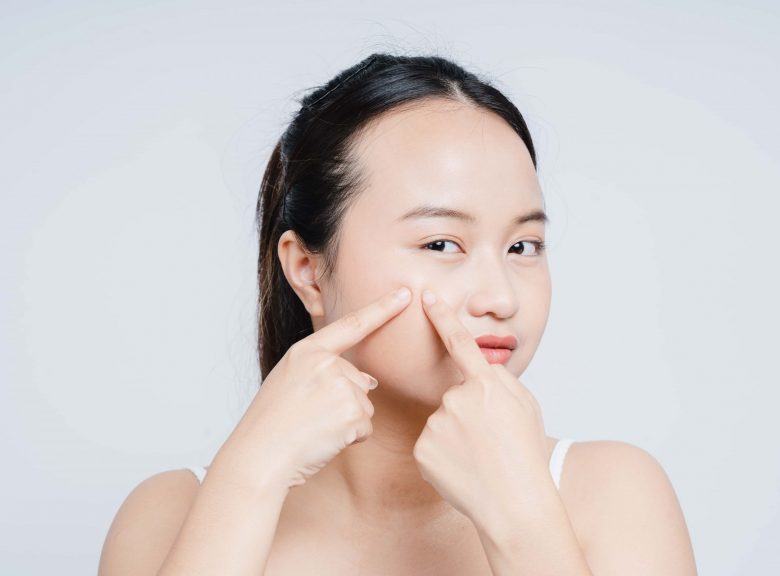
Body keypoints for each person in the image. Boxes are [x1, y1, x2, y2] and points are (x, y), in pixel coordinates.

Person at [98, 53, 698, 575]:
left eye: (523, 246)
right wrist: (248, 480)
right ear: (307, 269)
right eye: (441, 243)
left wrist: (523, 521)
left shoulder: (613, 494)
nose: (501, 299)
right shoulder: (168, 514)